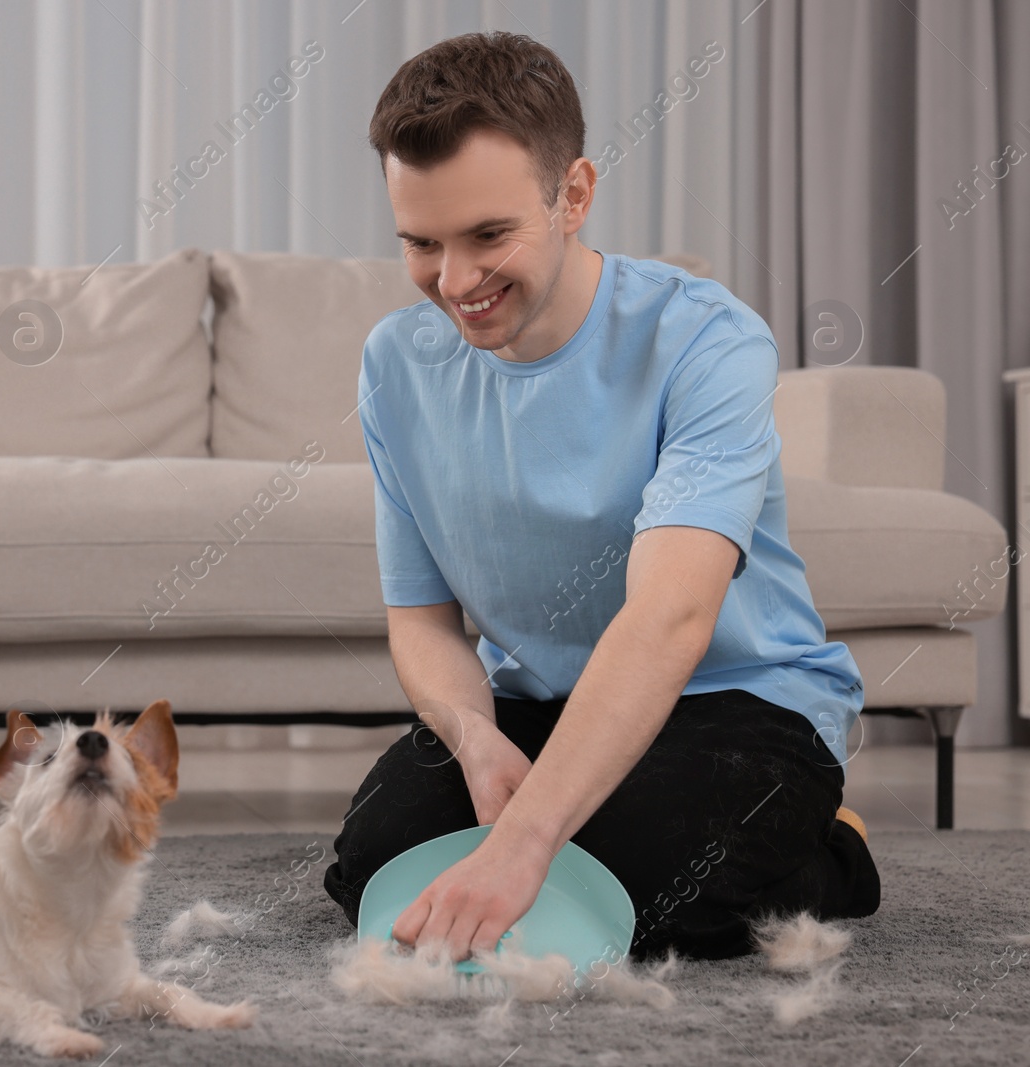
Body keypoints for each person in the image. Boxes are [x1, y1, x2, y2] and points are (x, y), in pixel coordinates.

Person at [321, 31, 880, 963]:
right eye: (421, 243)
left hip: (739, 697)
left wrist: (529, 837)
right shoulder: (394, 365)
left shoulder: (707, 341)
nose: (455, 283)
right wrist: (476, 741)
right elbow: (421, 622)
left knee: (637, 886)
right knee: (373, 867)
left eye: (489, 235)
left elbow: (670, 617)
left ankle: (838, 853)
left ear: (573, 194)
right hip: (544, 696)